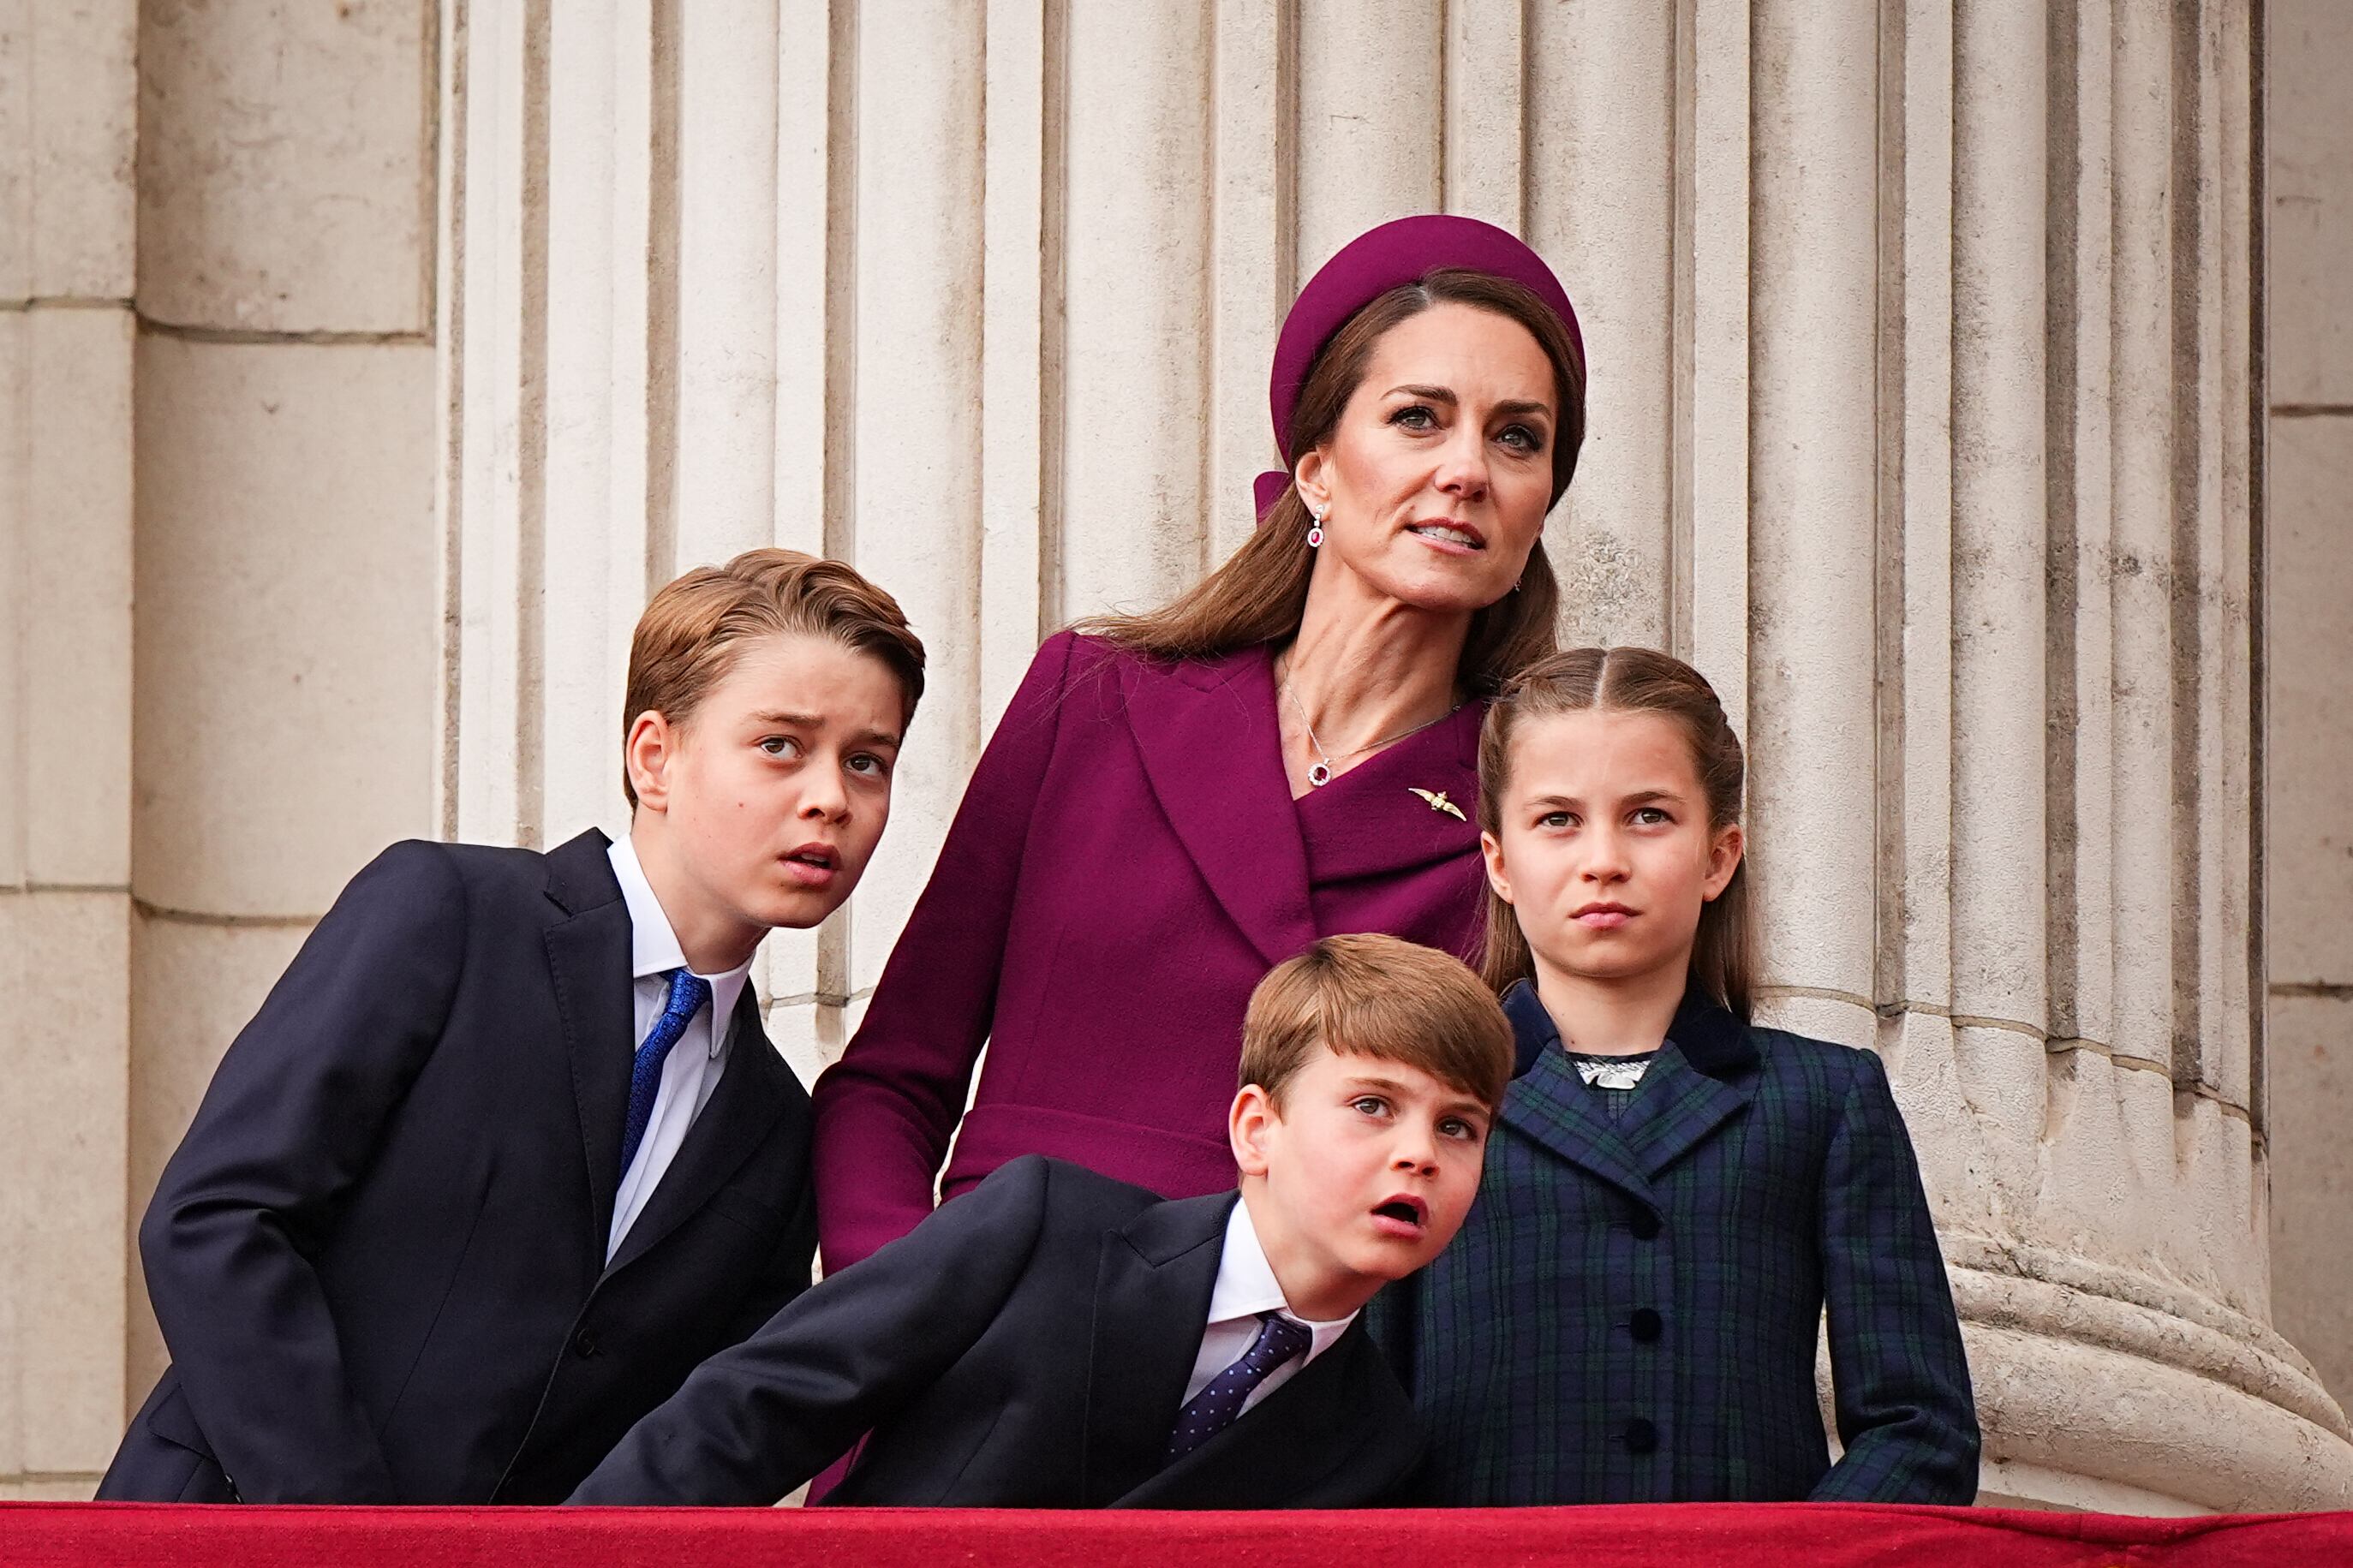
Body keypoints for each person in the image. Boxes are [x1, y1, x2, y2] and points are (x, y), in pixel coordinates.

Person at [813, 214, 1590, 1276]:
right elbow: (891, 1080)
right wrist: (896, 1319)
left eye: (1515, 437)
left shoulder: (1528, 818)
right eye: (1418, 418)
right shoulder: (1092, 698)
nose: (1466, 469)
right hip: (981, 1357)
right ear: (1315, 470)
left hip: (1283, 1400)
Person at [98, 549, 924, 1505]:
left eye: (867, 760)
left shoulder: (777, 1126)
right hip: (234, 1528)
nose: (830, 796)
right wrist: (347, 1541)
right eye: (781, 744)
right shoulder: (448, 912)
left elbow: (699, 1426)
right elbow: (213, 1220)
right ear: (653, 756)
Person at [569, 934, 1512, 1509]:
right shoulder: (1045, 1226)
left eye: (1458, 1126)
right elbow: (750, 1410)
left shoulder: (1374, 1443)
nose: (1419, 1151)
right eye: (1373, 1105)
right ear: (1255, 1127)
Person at [1382, 647, 1980, 1504]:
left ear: (1717, 855)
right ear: (1498, 862)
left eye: (1648, 816)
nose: (1602, 859)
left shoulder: (1821, 1098)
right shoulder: (1422, 1103)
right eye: (1556, 819)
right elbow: (1353, 1415)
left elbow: (1919, 1427)